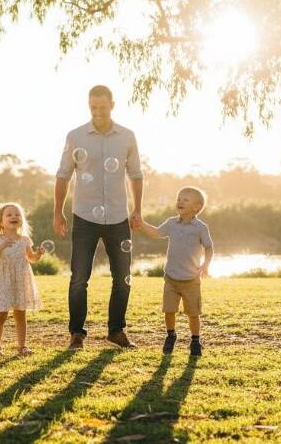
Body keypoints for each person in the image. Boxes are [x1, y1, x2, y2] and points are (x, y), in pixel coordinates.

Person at [54, 85, 143, 350]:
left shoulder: (127, 136)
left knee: (123, 278)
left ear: (112, 105)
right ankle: (76, 334)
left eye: (102, 107)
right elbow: (63, 175)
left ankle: (116, 331)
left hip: (118, 217)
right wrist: (57, 211)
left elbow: (136, 175)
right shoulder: (75, 136)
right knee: (79, 277)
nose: (98, 111)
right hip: (84, 216)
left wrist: (137, 209)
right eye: (93, 107)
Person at [138, 187, 214, 356]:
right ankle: (171, 335)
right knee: (169, 310)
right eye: (179, 198)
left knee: (193, 313)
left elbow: (209, 247)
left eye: (185, 199)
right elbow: (157, 233)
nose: (180, 201)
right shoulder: (171, 223)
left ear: (196, 207)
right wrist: (141, 224)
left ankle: (195, 340)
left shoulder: (200, 227)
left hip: (191, 280)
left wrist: (206, 265)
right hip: (171, 278)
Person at [0, 202, 45, 357]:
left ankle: (22, 346)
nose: (14, 217)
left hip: (20, 279)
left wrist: (38, 254)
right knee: (1, 314)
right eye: (9, 215)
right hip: (4, 280)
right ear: (1, 222)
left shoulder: (25, 240)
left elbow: (31, 258)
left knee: (20, 313)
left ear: (22, 219)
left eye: (17, 214)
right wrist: (2, 246)